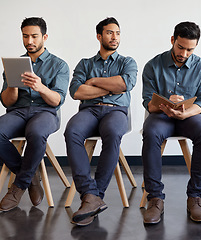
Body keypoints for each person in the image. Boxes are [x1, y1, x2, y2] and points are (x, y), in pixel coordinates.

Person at [0, 17, 70, 211]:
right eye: (25, 36)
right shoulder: (15, 64)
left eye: (34, 36)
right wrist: (14, 87)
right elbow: (6, 101)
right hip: (18, 112)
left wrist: (40, 87)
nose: (29, 41)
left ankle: (18, 186)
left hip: (46, 113)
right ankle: (31, 177)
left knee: (37, 133)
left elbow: (57, 100)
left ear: (44, 37)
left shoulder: (59, 65)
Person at [64, 17, 137, 226]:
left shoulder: (127, 62)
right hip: (90, 111)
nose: (114, 37)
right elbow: (76, 91)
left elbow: (125, 84)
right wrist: (111, 87)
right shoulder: (85, 63)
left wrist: (94, 82)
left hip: (116, 112)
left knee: (113, 133)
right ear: (99, 36)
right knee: (72, 132)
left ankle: (95, 196)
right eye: (109, 33)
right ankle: (90, 194)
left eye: (117, 33)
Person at [141, 22, 201, 224]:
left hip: (189, 117)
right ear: (173, 40)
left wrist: (186, 112)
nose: (185, 53)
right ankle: (155, 198)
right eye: (181, 47)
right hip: (161, 116)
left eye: (190, 49)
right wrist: (165, 103)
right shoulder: (153, 65)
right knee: (151, 132)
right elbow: (148, 102)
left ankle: (195, 197)